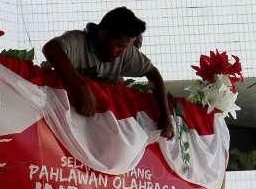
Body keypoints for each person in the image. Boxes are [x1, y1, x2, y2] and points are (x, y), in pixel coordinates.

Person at [42, 7, 174, 139]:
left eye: (126, 47)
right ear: (104, 35)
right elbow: (50, 48)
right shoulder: (78, 41)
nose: (122, 52)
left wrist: (165, 115)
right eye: (119, 46)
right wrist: (81, 86)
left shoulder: (125, 51)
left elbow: (153, 74)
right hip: (56, 120)